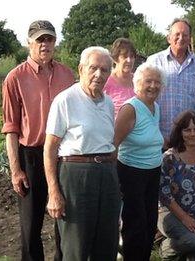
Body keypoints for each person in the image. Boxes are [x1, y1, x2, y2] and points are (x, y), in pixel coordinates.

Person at [1, 20, 75, 260]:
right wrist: (16, 170)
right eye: (40, 39)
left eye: (49, 39)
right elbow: (11, 128)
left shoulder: (67, 74)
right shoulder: (15, 78)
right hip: (31, 155)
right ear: (29, 43)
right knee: (31, 224)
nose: (45, 44)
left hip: (63, 155)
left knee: (64, 219)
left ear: (55, 42)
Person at [43, 46, 120, 260]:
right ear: (81, 69)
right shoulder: (65, 100)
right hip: (76, 176)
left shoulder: (108, 103)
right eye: (93, 68)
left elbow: (108, 142)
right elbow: (49, 148)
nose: (99, 74)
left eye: (105, 70)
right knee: (76, 246)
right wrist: (54, 192)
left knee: (107, 242)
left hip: (106, 174)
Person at [114, 62, 165, 261]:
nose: (153, 86)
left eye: (157, 82)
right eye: (148, 81)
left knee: (150, 223)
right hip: (131, 173)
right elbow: (114, 143)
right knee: (135, 225)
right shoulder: (130, 108)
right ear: (137, 84)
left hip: (152, 173)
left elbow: (150, 136)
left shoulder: (155, 107)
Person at [158, 110, 195, 260]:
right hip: (171, 213)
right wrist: (184, 218)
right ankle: (167, 249)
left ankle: (183, 252)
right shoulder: (169, 158)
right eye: (187, 130)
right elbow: (164, 194)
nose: (192, 134)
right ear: (180, 132)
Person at [147, 18, 195, 146]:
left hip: (188, 139)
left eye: (185, 35)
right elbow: (144, 96)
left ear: (190, 38)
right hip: (159, 137)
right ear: (169, 38)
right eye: (177, 34)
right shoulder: (154, 61)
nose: (181, 38)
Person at [103, 38, 136, 119]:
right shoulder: (106, 81)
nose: (129, 60)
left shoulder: (138, 80)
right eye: (124, 56)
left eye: (131, 56)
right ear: (115, 58)